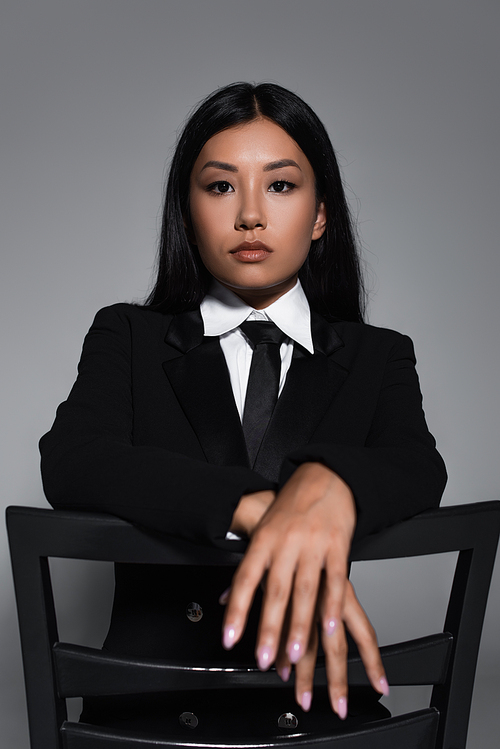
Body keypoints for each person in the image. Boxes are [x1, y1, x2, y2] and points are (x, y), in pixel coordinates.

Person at [39, 82, 447, 730]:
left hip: (320, 717)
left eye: (281, 185)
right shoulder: (128, 335)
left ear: (320, 215)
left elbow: (419, 465)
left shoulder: (378, 354)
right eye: (221, 186)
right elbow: (72, 458)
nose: (250, 214)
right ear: (187, 211)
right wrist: (255, 505)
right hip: (151, 721)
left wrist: (330, 480)